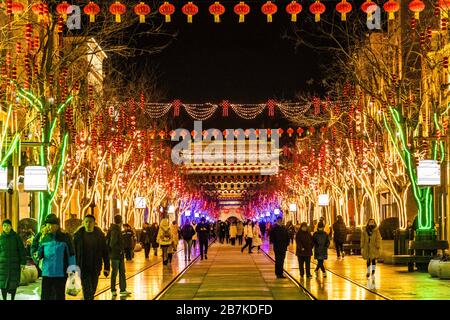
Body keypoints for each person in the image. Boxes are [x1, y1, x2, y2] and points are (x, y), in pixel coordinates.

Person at [31, 214, 76, 300]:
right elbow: (37, 252)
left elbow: (71, 255)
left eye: (52, 224)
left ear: (57, 225)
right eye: (48, 224)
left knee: (59, 296)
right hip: (47, 273)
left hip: (61, 274)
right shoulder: (44, 238)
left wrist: (72, 272)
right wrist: (39, 234)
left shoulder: (65, 238)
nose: (50, 227)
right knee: (45, 296)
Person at [73, 215, 110, 300]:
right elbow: (73, 253)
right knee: (87, 290)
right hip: (83, 267)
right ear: (83, 223)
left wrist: (107, 267)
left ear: (94, 223)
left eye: (90, 222)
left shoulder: (100, 236)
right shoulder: (78, 236)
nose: (88, 224)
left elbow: (105, 252)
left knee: (92, 289)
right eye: (86, 222)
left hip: (95, 267)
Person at [0, 219, 26, 300]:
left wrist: (23, 262)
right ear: (2, 227)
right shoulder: (1, 238)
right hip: (3, 265)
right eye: (4, 226)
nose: (6, 227)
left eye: (7, 225)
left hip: (14, 264)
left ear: (11, 226)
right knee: (2, 284)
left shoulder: (16, 237)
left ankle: (12, 298)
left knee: (13, 284)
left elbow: (21, 250)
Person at [106, 215, 131, 297]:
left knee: (121, 271)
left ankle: (123, 289)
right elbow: (112, 243)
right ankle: (114, 289)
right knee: (115, 272)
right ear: (121, 221)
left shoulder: (115, 229)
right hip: (115, 255)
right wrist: (118, 249)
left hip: (118, 254)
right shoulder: (115, 230)